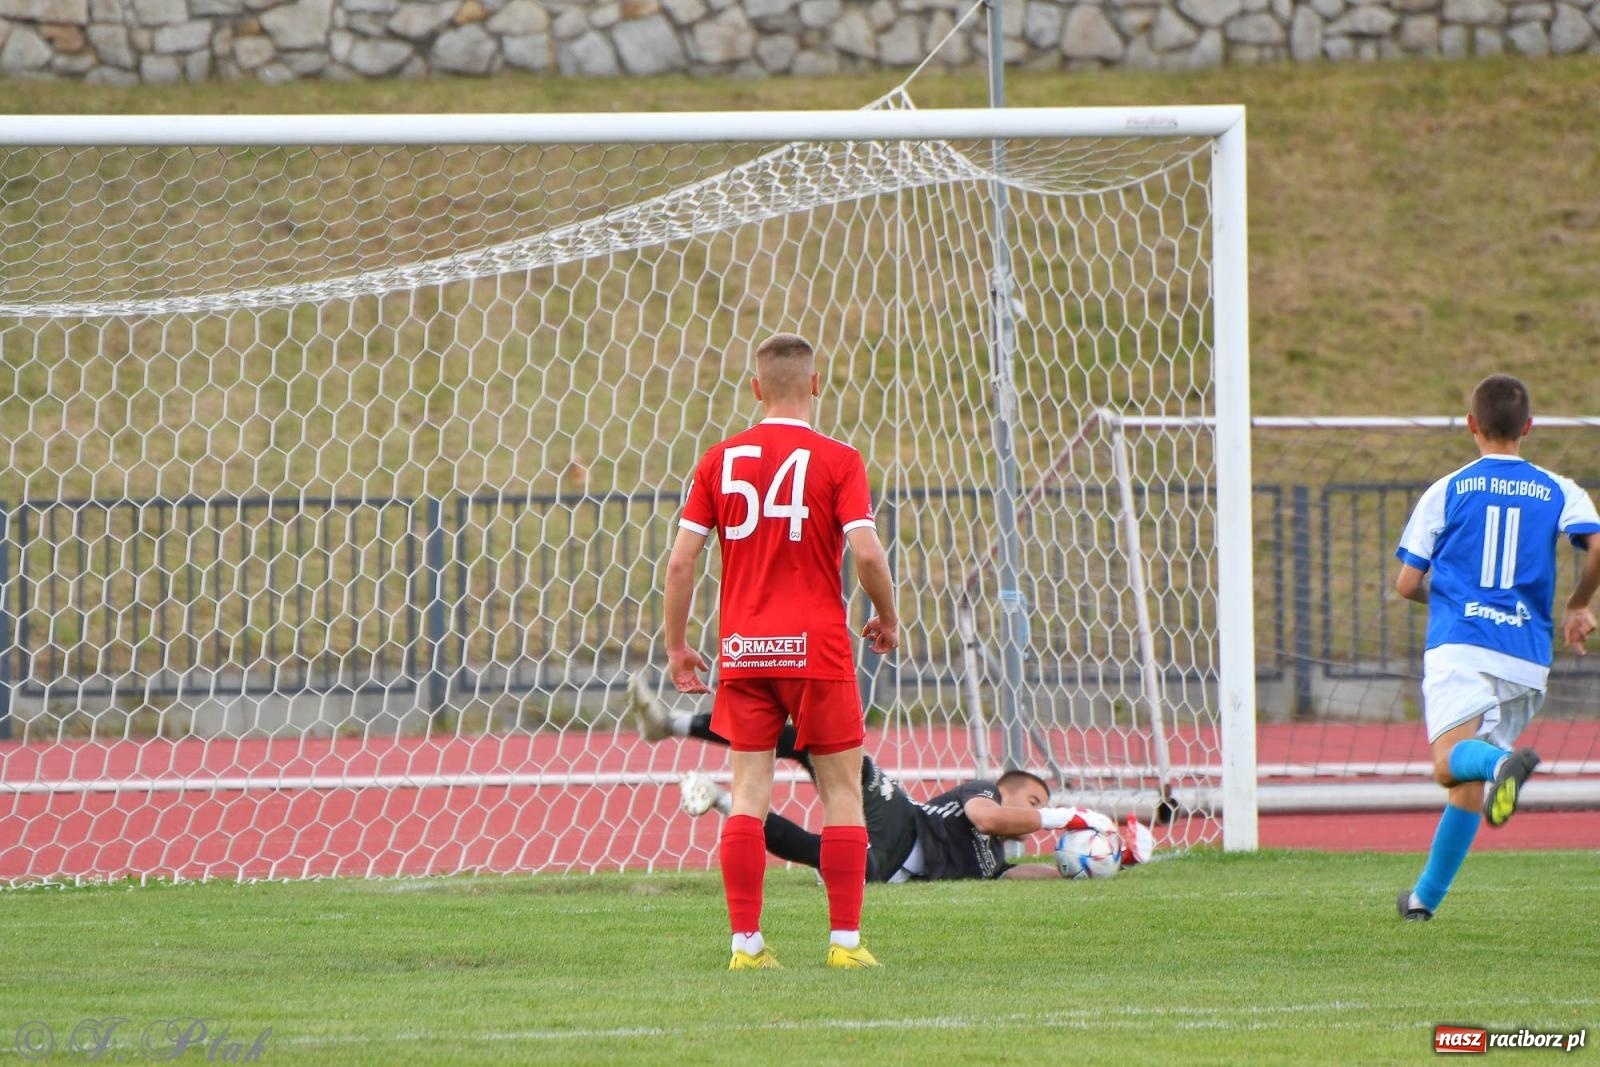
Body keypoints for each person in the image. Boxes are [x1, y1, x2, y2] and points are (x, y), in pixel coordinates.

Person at [659, 332, 900, 970]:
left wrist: (679, 647)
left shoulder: (718, 459)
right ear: (816, 385)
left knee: (748, 793)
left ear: (756, 387)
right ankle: (845, 945)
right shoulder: (839, 459)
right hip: (817, 651)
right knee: (842, 791)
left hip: (744, 651)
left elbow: (681, 562)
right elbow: (868, 552)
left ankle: (746, 946)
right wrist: (887, 616)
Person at [1392, 373, 1600, 921]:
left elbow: (1407, 584)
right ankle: (1423, 901)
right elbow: (1596, 543)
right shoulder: (1559, 489)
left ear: (1471, 426)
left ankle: (1504, 763)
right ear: (1528, 428)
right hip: (1526, 658)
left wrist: (1454, 603)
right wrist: (1579, 603)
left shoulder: (1448, 489)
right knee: (1466, 781)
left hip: (1463, 645)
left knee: (1446, 764)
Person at [629, 675, 1153, 882]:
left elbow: (1033, 877)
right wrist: (1066, 816)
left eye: (1044, 806)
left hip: (891, 868)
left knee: (831, 855)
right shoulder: (985, 796)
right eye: (1034, 799)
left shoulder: (999, 862)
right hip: (899, 817)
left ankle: (721, 799)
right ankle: (671, 724)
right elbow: (986, 818)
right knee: (816, 744)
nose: (1034, 812)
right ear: (1011, 787)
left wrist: (1101, 862)